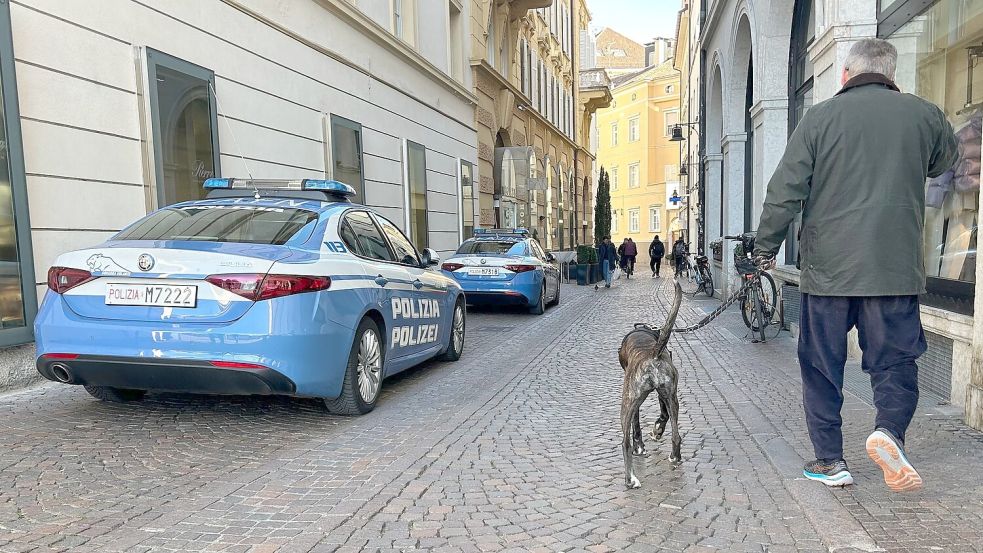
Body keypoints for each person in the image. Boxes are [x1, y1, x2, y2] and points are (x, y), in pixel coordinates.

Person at [751, 39, 958, 491]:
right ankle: (888, 433)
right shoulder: (923, 114)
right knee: (895, 361)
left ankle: (830, 461)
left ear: (845, 74)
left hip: (828, 271)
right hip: (893, 269)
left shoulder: (819, 118)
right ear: (891, 74)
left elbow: (784, 191)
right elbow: (945, 161)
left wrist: (764, 249)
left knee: (822, 365)